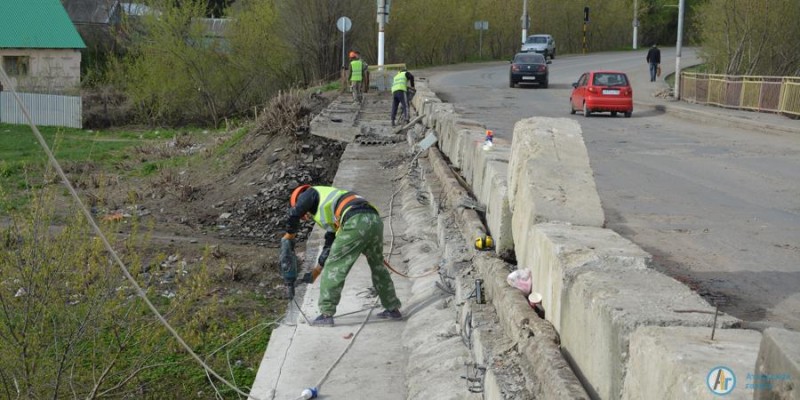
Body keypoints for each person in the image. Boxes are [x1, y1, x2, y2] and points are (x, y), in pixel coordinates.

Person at [282, 184, 402, 327]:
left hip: (355, 220)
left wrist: (289, 236)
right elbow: (329, 245)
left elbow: (293, 213)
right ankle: (392, 308)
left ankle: (326, 314)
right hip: (374, 220)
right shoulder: (332, 202)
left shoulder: (309, 193)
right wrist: (315, 272)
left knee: (335, 267)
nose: (306, 217)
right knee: (378, 266)